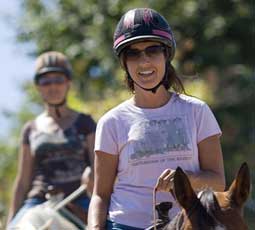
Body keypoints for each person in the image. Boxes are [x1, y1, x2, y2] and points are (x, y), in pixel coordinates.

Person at [88, 8, 225, 230]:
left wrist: (186, 178)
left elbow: (218, 181)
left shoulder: (197, 111)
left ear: (166, 55)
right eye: (133, 53)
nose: (144, 62)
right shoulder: (111, 122)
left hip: (188, 223)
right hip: (126, 224)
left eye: (153, 50)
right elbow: (100, 194)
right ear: (124, 63)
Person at [7, 51, 96, 228]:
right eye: (45, 81)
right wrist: (10, 221)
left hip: (79, 200)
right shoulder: (30, 129)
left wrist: (93, 175)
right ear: (38, 86)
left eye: (58, 80)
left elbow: (98, 166)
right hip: (38, 201)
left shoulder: (85, 122)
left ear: (68, 83)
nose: (52, 86)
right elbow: (23, 180)